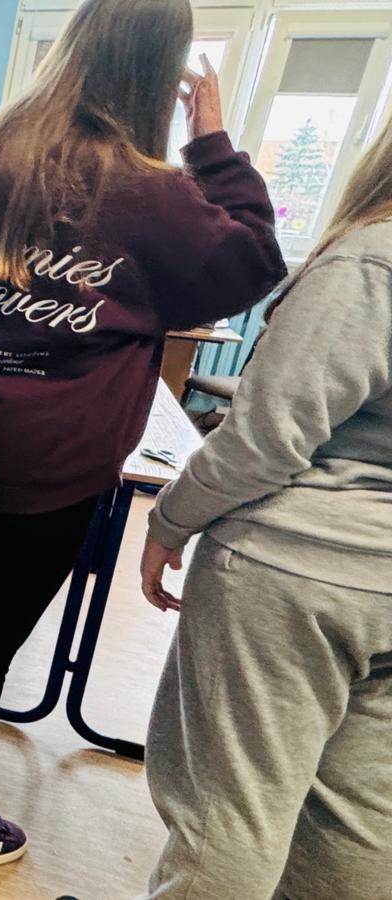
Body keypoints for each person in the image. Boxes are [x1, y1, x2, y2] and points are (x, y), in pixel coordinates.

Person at [0, 0, 287, 866]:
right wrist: (212, 143)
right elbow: (255, 265)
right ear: (160, 73)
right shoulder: (157, 198)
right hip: (44, 472)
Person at [139, 113, 392, 900]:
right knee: (358, 816)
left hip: (299, 572)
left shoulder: (371, 261)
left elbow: (265, 438)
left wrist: (170, 518)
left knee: (228, 816)